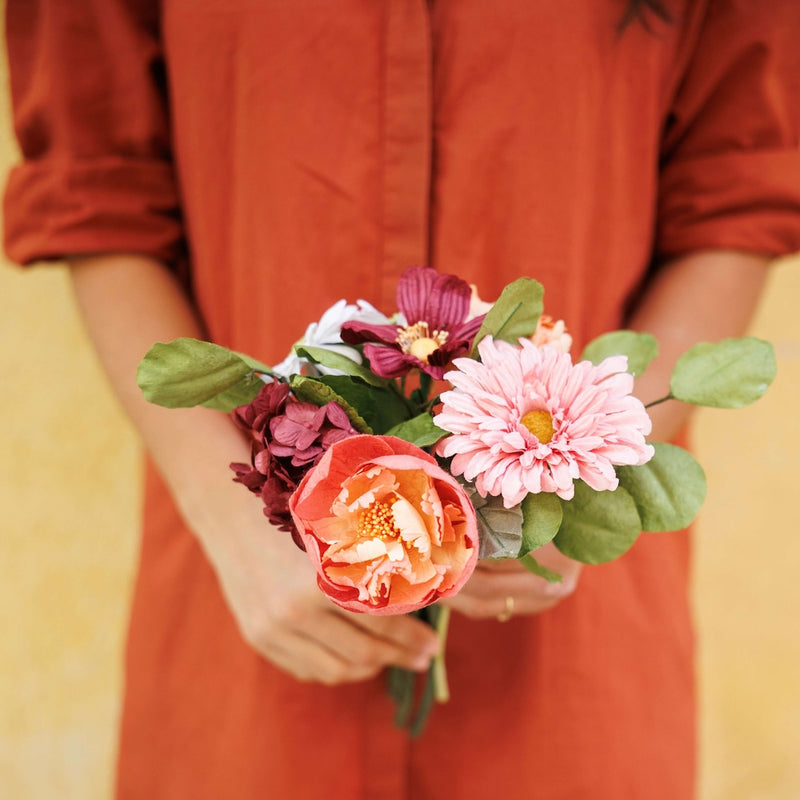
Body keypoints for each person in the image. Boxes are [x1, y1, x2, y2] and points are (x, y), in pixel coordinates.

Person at [5, 1, 800, 798]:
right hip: (251, 613)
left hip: (564, 639)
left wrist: (584, 476)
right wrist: (235, 515)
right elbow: (96, 190)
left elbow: (734, 188)